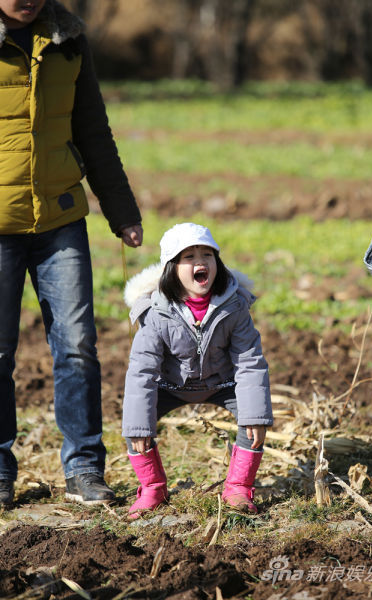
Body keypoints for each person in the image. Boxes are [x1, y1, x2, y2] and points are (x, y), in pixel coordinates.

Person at [0, 0, 143, 507]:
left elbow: (93, 131)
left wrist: (122, 211)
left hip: (60, 220)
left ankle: (84, 469)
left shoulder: (68, 39)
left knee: (78, 346)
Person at [122, 222, 273, 519]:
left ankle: (239, 488)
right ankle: (153, 488)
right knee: (136, 426)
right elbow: (142, 372)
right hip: (171, 386)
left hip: (222, 383)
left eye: (207, 255)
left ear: (217, 262)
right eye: (189, 257)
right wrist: (139, 426)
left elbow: (250, 361)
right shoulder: (156, 314)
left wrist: (255, 415)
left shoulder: (234, 307)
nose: (200, 262)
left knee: (254, 420)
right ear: (171, 267)